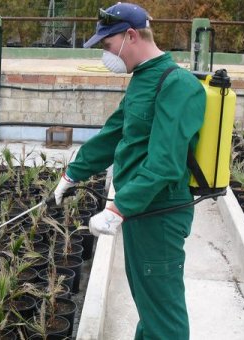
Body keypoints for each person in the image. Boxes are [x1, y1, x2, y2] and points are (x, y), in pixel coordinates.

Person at [53, 2, 206, 339]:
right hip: (142, 210)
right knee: (148, 302)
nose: (105, 55)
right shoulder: (144, 78)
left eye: (107, 46)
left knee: (164, 315)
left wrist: (116, 209)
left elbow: (165, 163)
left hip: (161, 215)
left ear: (131, 35)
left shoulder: (177, 84)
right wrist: (73, 173)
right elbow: (115, 132)